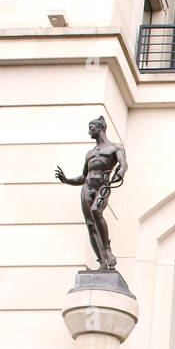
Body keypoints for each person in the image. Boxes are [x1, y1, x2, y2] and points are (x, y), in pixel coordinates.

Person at [55, 116, 127, 270]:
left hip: (103, 185)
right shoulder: (90, 153)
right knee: (90, 223)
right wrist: (66, 180)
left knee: (96, 210)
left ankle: (107, 249)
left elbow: (123, 163)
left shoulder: (115, 148)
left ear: (100, 127)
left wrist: (120, 172)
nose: (89, 132)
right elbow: (83, 176)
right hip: (87, 187)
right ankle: (102, 262)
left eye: (91, 127)